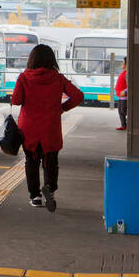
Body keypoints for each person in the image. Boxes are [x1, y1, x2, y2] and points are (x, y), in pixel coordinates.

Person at [11, 43, 83, 212]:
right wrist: (63, 107)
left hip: (28, 129)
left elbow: (16, 100)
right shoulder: (58, 78)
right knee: (51, 162)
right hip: (50, 128)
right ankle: (49, 189)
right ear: (52, 60)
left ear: (32, 60)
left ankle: (35, 197)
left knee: (31, 161)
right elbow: (79, 96)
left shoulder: (24, 77)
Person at [114, 57, 128, 131]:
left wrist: (125, 91)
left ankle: (126, 125)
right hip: (120, 97)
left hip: (125, 97)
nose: (121, 64)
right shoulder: (124, 73)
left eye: (123, 63)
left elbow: (130, 85)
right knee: (120, 112)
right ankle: (123, 125)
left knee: (123, 111)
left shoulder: (127, 74)